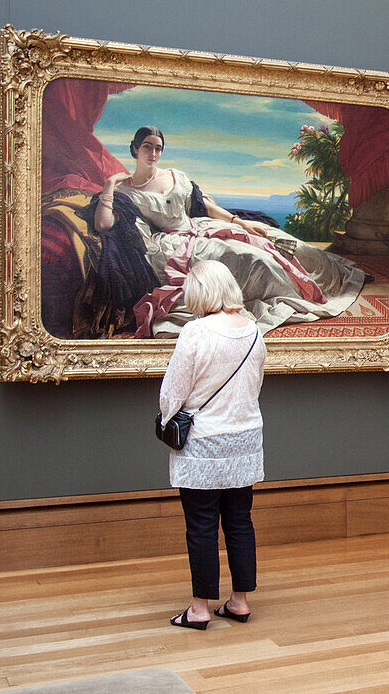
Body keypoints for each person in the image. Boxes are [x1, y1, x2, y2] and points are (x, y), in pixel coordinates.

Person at [96, 126, 366, 337]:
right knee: (249, 257)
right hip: (175, 246)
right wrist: (109, 186)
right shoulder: (124, 190)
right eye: (147, 147)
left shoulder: (174, 175)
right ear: (134, 149)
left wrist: (238, 222)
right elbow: (104, 225)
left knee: (272, 238)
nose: (153, 154)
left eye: (158, 148)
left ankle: (325, 280)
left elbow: (206, 207)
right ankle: (300, 296)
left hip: (199, 228)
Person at [159, 260, 267, 630]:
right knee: (240, 522)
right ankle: (239, 602)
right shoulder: (254, 331)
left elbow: (172, 394)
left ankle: (200, 609)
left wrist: (167, 416)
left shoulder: (195, 332)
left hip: (204, 444)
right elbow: (255, 385)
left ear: (201, 291)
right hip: (245, 440)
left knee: (202, 526)